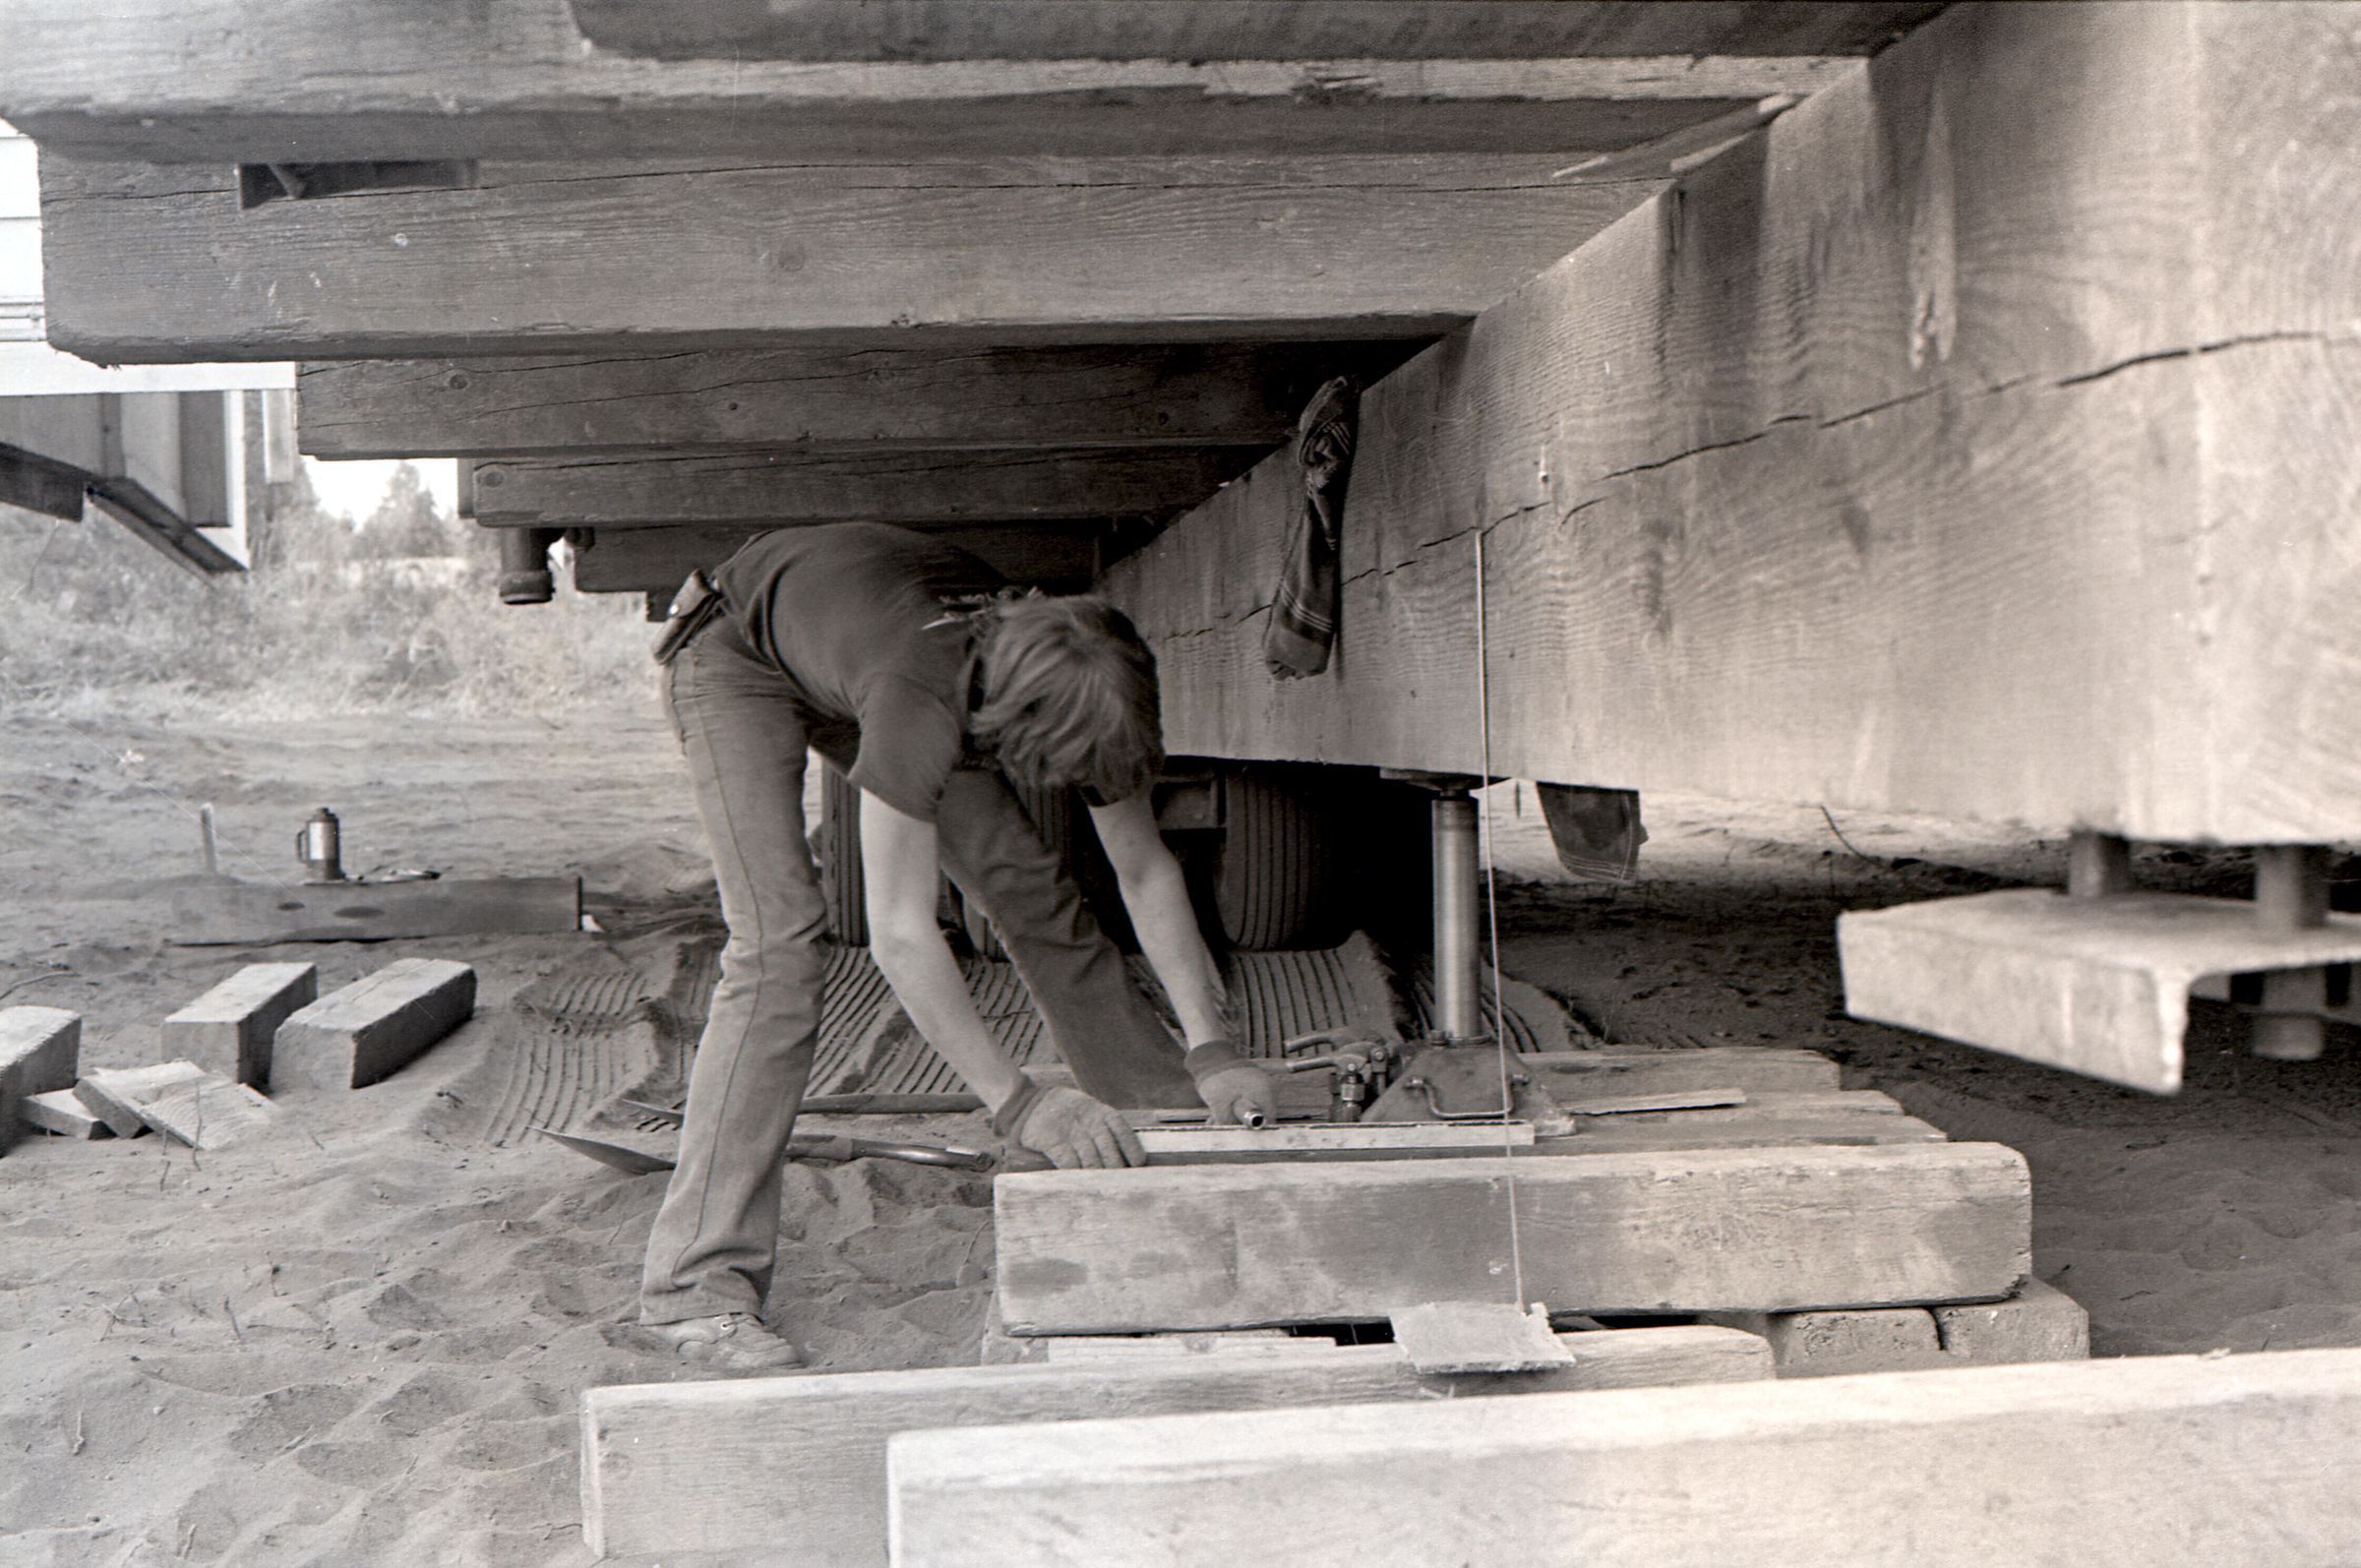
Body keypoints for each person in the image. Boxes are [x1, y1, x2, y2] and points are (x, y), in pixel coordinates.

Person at [638, 521, 1277, 1371]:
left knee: (1030, 887)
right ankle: (696, 1289)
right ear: (1005, 727)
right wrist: (1018, 1103)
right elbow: (901, 933)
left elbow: (1144, 869)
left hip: (862, 643)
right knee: (780, 946)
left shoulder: (1094, 668)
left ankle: (1161, 1136)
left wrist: (1212, 1052)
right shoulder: (923, 697)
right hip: (734, 651)